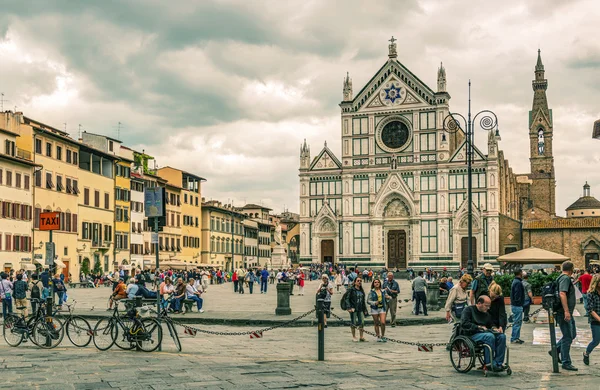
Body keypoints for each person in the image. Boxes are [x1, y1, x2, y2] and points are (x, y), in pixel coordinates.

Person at [461, 296, 506, 371]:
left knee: (502, 336)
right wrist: (478, 327)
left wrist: (495, 329)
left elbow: (491, 324)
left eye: (489, 306)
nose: (488, 308)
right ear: (479, 303)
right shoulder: (468, 310)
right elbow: (464, 323)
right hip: (471, 334)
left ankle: (498, 362)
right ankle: (489, 363)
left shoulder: (486, 314)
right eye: (486, 306)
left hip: (483, 333)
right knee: (489, 336)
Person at [554, 261, 578, 371]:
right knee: (568, 336)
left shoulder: (562, 278)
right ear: (571, 269)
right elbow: (562, 293)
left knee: (572, 334)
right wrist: (566, 311)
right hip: (563, 312)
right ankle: (566, 362)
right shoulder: (565, 278)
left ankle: (555, 350)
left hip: (565, 312)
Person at [344, 277, 368, 342]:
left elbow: (363, 301)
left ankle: (361, 336)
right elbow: (347, 299)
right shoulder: (351, 289)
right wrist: (349, 307)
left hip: (360, 308)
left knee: (362, 322)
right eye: (358, 281)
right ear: (355, 282)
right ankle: (354, 336)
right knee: (353, 322)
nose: (359, 282)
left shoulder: (361, 290)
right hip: (353, 308)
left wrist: (365, 309)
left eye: (360, 281)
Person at [583, 274, 600, 365]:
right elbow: (590, 310)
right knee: (596, 340)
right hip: (595, 321)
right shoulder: (590, 294)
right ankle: (586, 353)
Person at [510, 269, 525, 344]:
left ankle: (516, 337)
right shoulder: (518, 282)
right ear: (520, 273)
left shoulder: (515, 281)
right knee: (517, 322)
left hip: (515, 305)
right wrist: (519, 302)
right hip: (517, 305)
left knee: (517, 322)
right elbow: (517, 294)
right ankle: (514, 338)